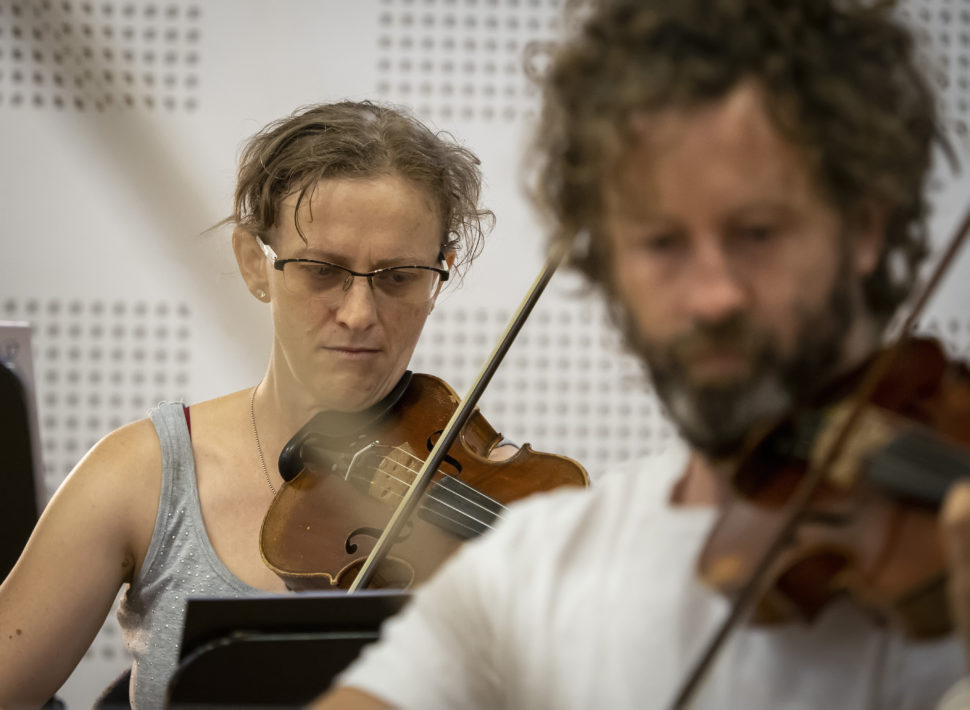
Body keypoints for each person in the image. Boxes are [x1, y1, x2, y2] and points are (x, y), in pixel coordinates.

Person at [312, 1, 970, 708]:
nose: (712, 296)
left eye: (758, 232)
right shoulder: (530, 568)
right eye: (661, 242)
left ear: (865, 229)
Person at [0, 100, 497, 709]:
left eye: (399, 276)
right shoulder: (143, 475)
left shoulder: (499, 503)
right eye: (322, 270)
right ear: (253, 265)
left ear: (437, 277)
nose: (359, 314)